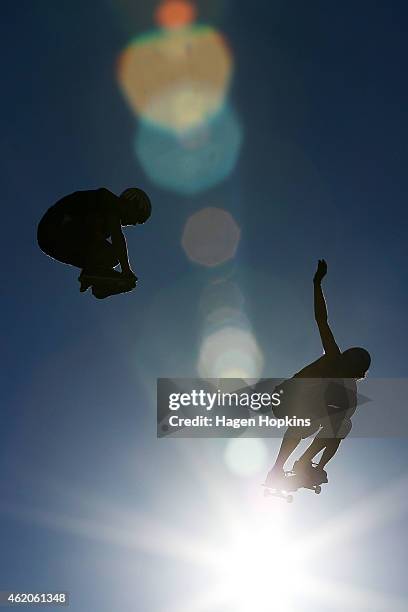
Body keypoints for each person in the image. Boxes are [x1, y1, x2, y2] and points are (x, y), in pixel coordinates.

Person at [265, 259, 371, 487]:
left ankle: (306, 464)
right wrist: (316, 282)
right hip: (288, 396)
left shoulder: (350, 391)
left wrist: (318, 467)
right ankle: (280, 467)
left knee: (344, 421)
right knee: (330, 408)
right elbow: (321, 320)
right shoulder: (334, 356)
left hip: (309, 408)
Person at [37, 187, 151, 298]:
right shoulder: (109, 200)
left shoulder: (107, 219)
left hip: (49, 243)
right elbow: (118, 238)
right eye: (138, 217)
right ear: (132, 204)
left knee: (110, 256)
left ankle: (97, 282)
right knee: (112, 253)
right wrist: (126, 270)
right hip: (55, 226)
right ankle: (93, 273)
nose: (134, 223)